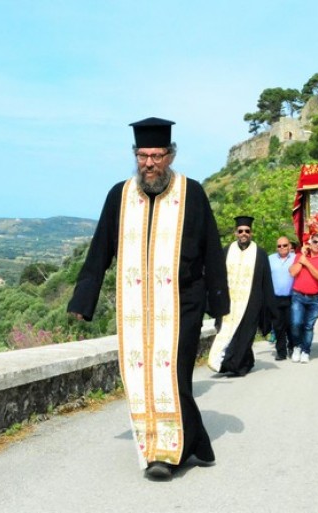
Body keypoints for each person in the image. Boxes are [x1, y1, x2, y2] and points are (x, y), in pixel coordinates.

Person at [67, 116, 229, 481]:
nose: (149, 163)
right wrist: (82, 300)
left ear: (170, 156)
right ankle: (183, 444)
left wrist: (219, 305)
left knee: (173, 377)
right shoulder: (120, 196)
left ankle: (168, 455)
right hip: (136, 309)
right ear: (135, 156)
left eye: (157, 155)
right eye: (143, 156)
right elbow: (100, 250)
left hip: (184, 304)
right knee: (142, 379)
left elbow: (211, 252)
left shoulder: (192, 193)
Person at [208, 216, 276, 376]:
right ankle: (239, 362)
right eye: (240, 231)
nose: (243, 234)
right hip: (229, 302)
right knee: (228, 332)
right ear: (235, 233)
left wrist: (269, 305)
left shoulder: (260, 254)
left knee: (245, 335)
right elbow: (217, 277)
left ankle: (237, 366)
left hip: (251, 302)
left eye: (247, 231)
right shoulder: (226, 251)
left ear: (251, 233)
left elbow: (266, 282)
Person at [289, 234, 318, 363]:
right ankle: (297, 346)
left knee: (308, 326)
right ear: (310, 242)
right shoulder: (299, 256)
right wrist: (302, 259)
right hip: (298, 295)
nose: (317, 245)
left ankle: (305, 351)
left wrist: (307, 263)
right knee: (296, 323)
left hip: (315, 298)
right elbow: (292, 272)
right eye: (315, 242)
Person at [269, 236, 296, 361]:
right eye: (279, 246)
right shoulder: (270, 259)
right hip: (275, 298)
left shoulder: (295, 258)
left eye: (284, 245)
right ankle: (281, 351)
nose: (282, 248)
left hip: (291, 297)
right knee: (278, 326)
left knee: (291, 324)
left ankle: (292, 347)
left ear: (289, 246)